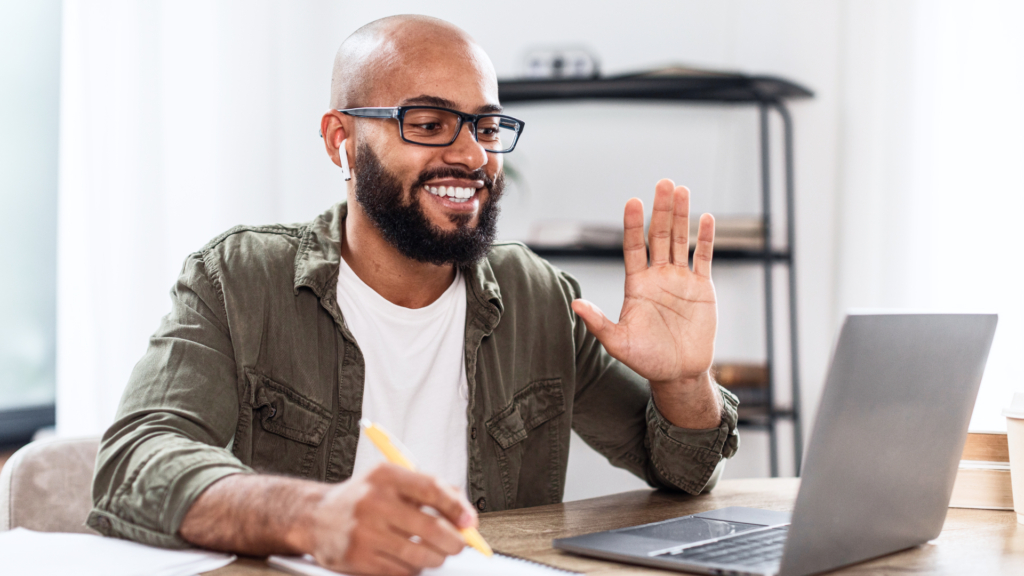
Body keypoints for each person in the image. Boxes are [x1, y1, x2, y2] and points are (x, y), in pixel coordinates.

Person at [88, 14, 738, 576]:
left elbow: (683, 472)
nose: (472, 155)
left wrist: (683, 380)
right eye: (427, 123)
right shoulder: (239, 279)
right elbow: (134, 462)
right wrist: (312, 517)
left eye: (485, 127)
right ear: (342, 140)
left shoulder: (536, 298)